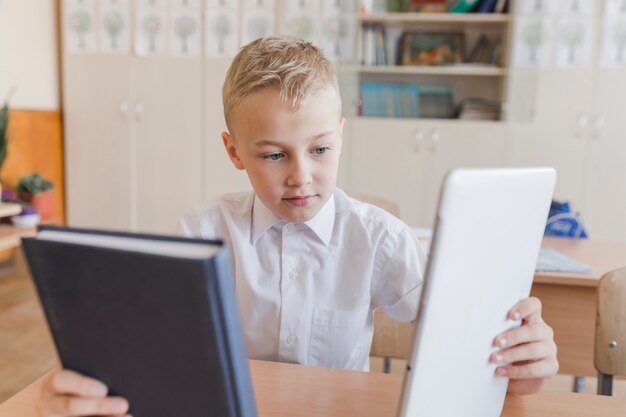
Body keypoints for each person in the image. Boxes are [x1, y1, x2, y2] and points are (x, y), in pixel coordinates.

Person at [37, 36, 558, 417]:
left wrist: (522, 361)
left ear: (341, 137)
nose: (300, 176)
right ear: (234, 151)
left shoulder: (379, 238)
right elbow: (143, 347)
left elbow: (472, 341)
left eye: (320, 149)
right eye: (272, 154)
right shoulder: (200, 235)